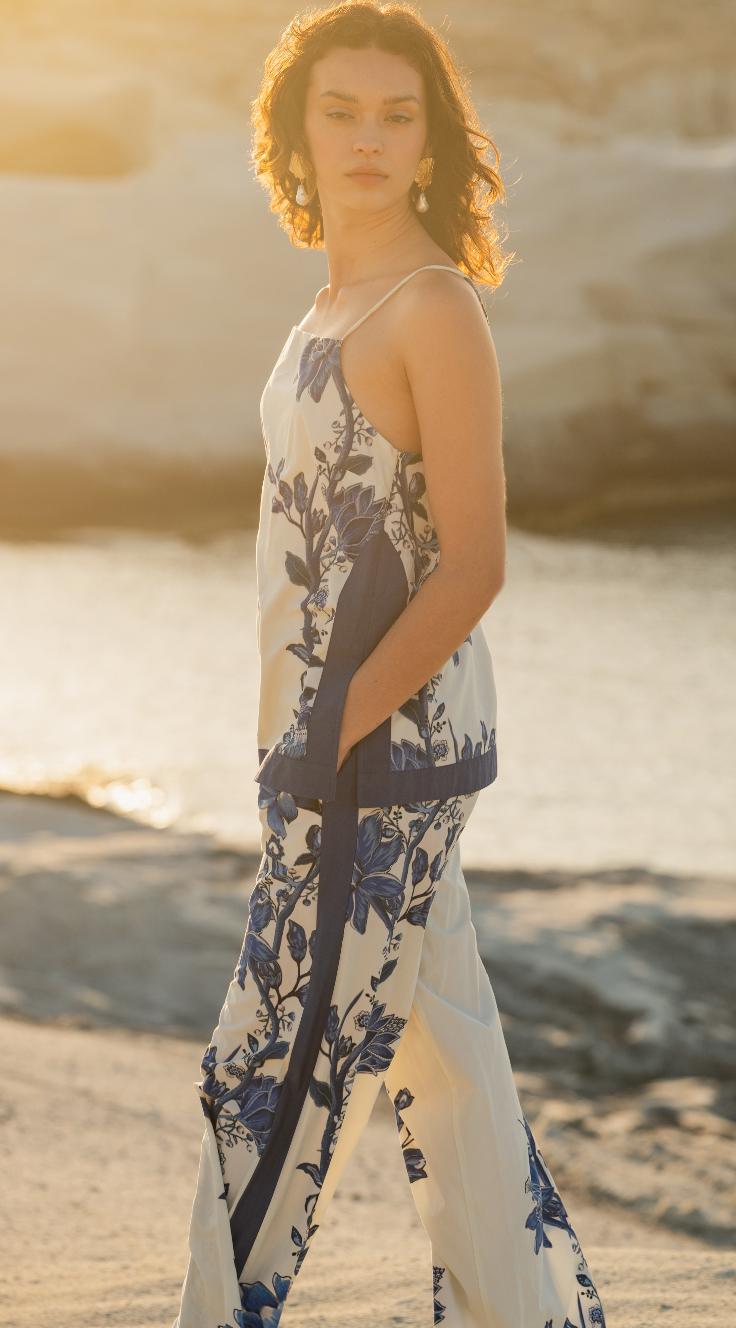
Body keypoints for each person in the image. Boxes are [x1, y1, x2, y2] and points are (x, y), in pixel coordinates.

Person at [175, 5, 605, 1327]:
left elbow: (474, 564)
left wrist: (332, 734)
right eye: (341, 111)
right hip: (349, 750)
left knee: (264, 1076)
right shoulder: (331, 302)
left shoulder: (434, 311)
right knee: (454, 1071)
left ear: (432, 143)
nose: (367, 138)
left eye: (397, 115)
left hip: (375, 764)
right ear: (297, 133)